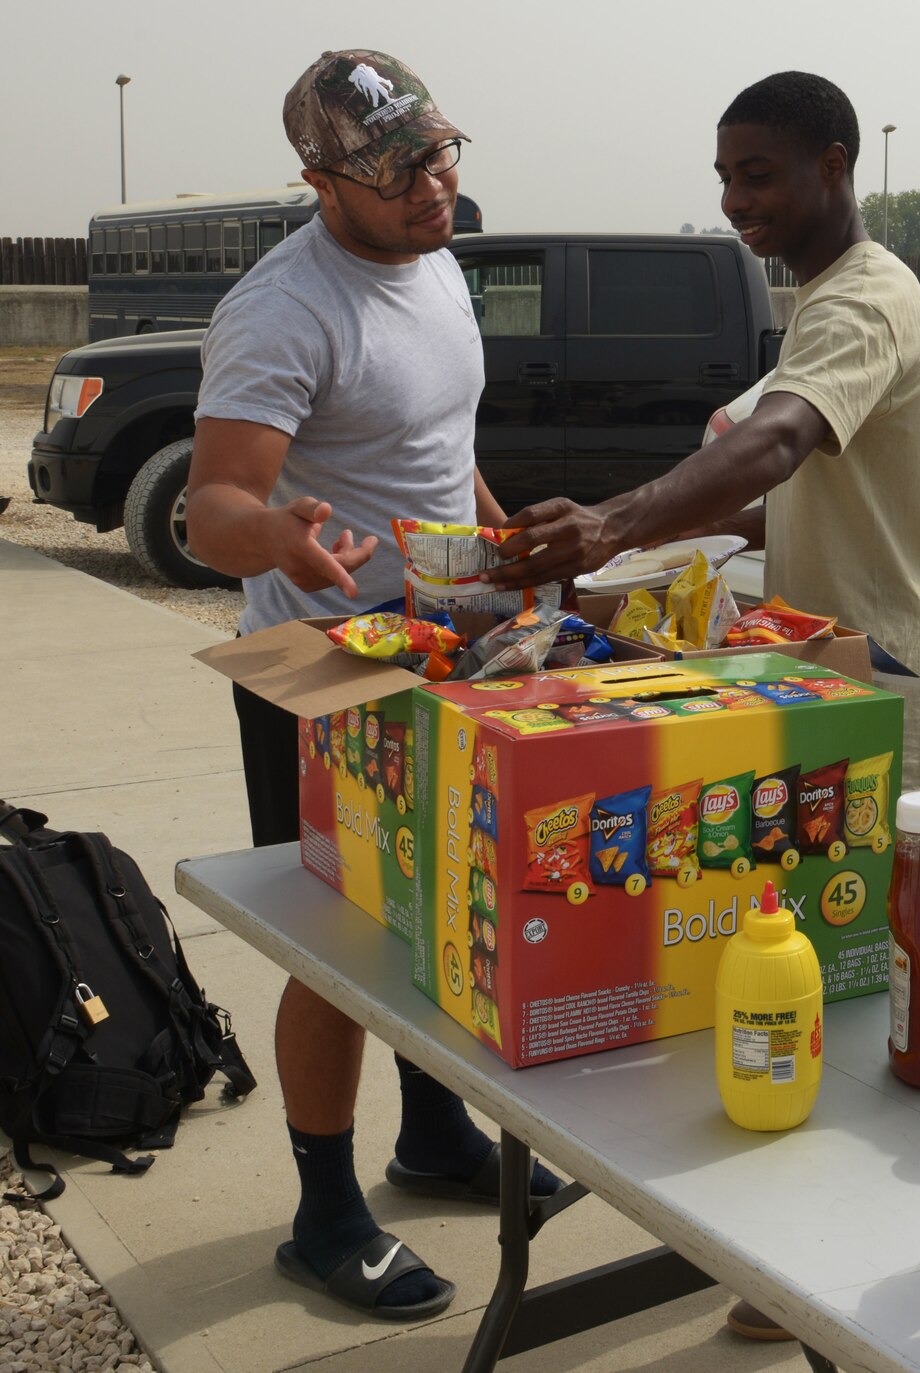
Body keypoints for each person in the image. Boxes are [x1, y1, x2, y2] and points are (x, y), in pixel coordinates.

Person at [185, 49, 560, 1321]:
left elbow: (437, 453)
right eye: (397, 167)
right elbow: (212, 503)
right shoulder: (282, 307)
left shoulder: (436, 260)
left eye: (443, 151)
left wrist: (511, 551)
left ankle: (435, 1137)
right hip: (318, 676)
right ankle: (323, 1209)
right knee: (336, 945)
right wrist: (277, 536)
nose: (432, 183)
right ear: (318, 180)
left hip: (440, 647)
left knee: (441, 908)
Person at [481, 71, 920, 795]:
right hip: (817, 654)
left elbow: (775, 442)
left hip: (880, 660)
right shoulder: (828, 290)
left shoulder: (861, 300)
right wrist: (652, 543)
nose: (734, 201)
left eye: (757, 176)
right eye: (726, 177)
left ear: (833, 166)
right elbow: (818, 502)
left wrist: (608, 524)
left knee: (888, 885)